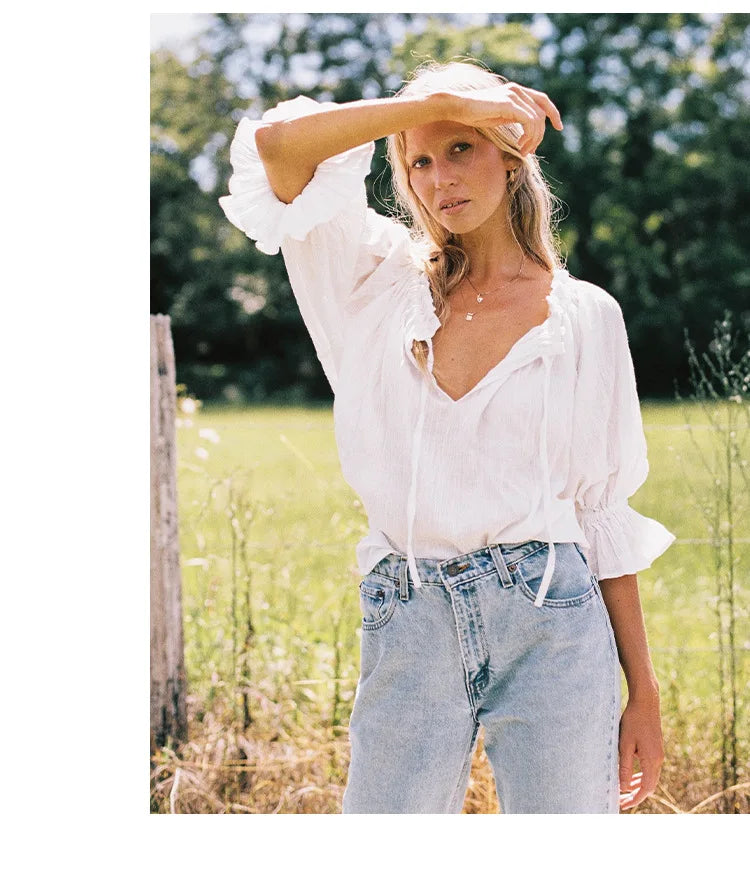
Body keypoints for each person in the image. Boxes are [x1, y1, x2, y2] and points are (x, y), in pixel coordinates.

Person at [219, 60, 676, 814]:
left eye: (460, 147)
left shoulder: (586, 316)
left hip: (551, 617)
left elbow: (601, 513)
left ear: (510, 154)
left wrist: (645, 694)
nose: (440, 179)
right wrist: (432, 103)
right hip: (408, 613)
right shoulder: (372, 281)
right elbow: (278, 146)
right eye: (419, 161)